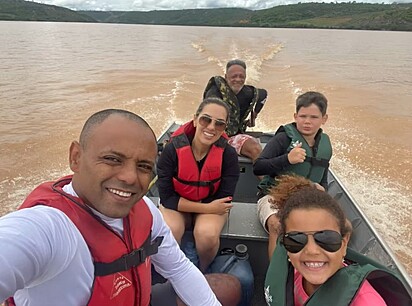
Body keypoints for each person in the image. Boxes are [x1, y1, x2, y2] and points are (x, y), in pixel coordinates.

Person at [0, 109, 241, 306]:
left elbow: (178, 267)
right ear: (76, 157)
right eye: (112, 159)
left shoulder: (144, 209)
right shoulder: (46, 228)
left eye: (144, 166)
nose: (129, 177)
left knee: (229, 288)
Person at [264, 174, 409, 306]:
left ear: (344, 243)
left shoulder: (367, 302)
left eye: (326, 238)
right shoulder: (292, 272)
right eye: (296, 240)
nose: (311, 250)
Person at [157, 97, 240, 273]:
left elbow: (224, 198)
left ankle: (201, 270)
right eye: (205, 119)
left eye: (219, 124)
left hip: (212, 202)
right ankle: (173, 271)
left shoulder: (228, 154)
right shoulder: (172, 150)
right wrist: (206, 209)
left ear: (224, 128)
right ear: (195, 119)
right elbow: (167, 198)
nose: (211, 127)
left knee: (206, 234)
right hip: (180, 203)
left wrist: (203, 211)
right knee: (170, 230)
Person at [253, 91, 332, 259]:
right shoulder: (283, 139)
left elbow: (323, 178)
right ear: (295, 116)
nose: (307, 122)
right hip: (273, 196)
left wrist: (322, 188)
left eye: (314, 117)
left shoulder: (324, 145)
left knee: (339, 227)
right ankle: (275, 281)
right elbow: (258, 167)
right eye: (303, 116)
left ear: (324, 119)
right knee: (278, 225)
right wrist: (287, 159)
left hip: (307, 199)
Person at [204, 59, 267, 162]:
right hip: (213, 136)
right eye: (234, 76)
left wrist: (254, 116)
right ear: (226, 77)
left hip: (234, 136)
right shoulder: (214, 94)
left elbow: (263, 94)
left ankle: (267, 178)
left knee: (256, 149)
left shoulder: (248, 93)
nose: (238, 79)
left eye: (241, 76)